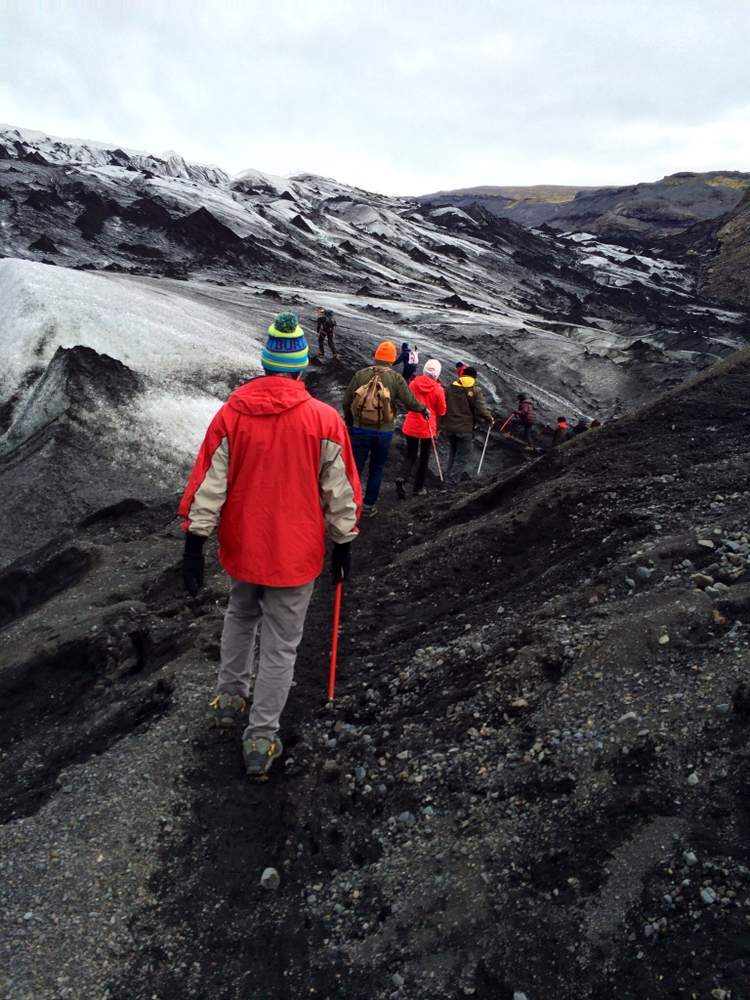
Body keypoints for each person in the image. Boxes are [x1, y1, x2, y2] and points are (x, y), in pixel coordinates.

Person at [179, 311, 361, 781]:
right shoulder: (323, 420)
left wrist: (195, 542)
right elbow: (340, 490)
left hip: (244, 546)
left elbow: (209, 485)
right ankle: (261, 735)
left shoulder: (230, 415)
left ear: (264, 365)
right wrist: (343, 542)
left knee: (240, 614)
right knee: (281, 645)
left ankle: (230, 696)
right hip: (296, 553)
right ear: (301, 368)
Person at [342, 340, 429, 515]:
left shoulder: (361, 375)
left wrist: (350, 423)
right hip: (384, 432)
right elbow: (410, 402)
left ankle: (347, 505)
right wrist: (423, 409)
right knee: (376, 468)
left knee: (355, 467)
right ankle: (368, 506)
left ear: (376, 356)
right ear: (391, 359)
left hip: (360, 430)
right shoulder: (395, 379)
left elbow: (346, 401)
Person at [395, 358, 447, 498]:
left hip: (411, 425)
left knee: (410, 455)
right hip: (427, 428)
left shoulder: (413, 383)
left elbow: (407, 403)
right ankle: (418, 488)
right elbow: (442, 411)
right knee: (424, 458)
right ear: (437, 374)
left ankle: (402, 477)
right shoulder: (438, 389)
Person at [443, 365, 493, 483]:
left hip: (450, 427)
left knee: (453, 453)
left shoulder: (450, 387)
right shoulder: (475, 389)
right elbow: (481, 409)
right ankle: (452, 482)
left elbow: (444, 405)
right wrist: (489, 418)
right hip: (465, 428)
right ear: (474, 377)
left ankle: (447, 479)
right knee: (462, 457)